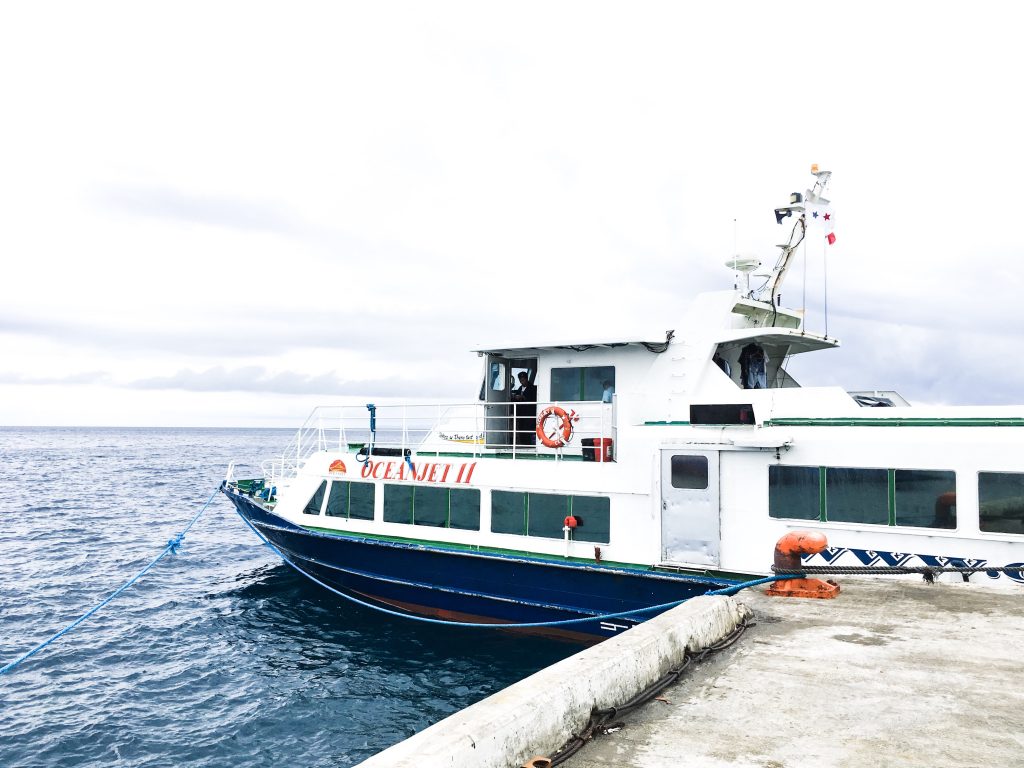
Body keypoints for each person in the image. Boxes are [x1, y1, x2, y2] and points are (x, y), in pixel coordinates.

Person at [512, 372, 537, 446]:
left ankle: (529, 444)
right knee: (521, 428)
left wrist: (524, 398)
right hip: (521, 413)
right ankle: (522, 443)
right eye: (520, 380)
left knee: (529, 429)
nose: (522, 382)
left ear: (526, 379)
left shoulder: (532, 388)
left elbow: (534, 399)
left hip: (529, 413)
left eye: (523, 380)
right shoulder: (520, 388)